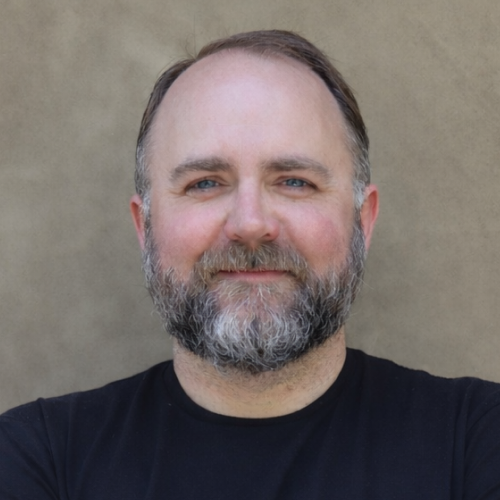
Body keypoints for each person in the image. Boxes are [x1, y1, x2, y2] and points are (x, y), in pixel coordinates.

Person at [1, 30, 499, 499]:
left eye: (295, 181)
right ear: (144, 226)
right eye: (204, 183)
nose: (250, 223)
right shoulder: (36, 458)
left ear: (362, 221)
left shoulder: (477, 442)